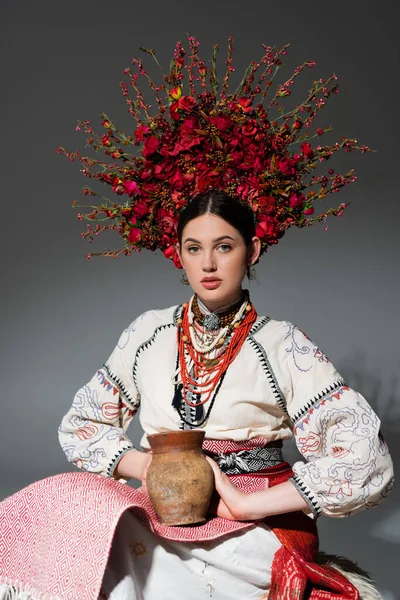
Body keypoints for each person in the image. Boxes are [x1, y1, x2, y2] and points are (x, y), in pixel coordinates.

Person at [0, 39, 394, 600]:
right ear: (177, 254)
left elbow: (365, 458)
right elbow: (81, 426)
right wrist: (150, 468)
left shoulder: (280, 344)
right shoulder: (148, 333)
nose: (208, 264)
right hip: (162, 505)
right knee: (67, 508)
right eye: (194, 247)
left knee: (153, 574)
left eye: (225, 246)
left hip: (249, 524)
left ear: (252, 252)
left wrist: (245, 499)